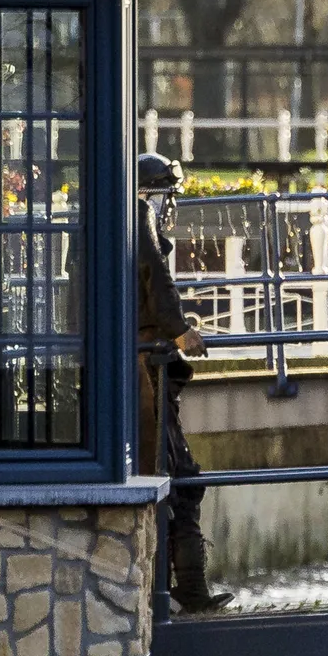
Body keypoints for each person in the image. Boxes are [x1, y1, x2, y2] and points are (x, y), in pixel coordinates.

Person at [134, 155, 222, 611]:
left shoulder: (110, 219)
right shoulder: (140, 214)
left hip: (133, 365)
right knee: (181, 478)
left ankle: (170, 588)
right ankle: (187, 591)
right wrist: (180, 330)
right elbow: (156, 273)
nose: (168, 203)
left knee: (167, 477)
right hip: (149, 368)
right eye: (165, 192)